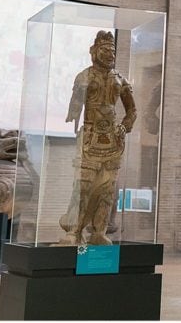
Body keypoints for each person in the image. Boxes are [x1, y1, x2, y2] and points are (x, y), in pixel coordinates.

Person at [57, 31, 137, 246]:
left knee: (107, 188)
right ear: (94, 52)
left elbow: (132, 110)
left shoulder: (120, 79)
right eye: (104, 50)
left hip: (113, 138)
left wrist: (124, 127)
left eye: (112, 51)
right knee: (82, 186)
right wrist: (74, 112)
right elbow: (74, 108)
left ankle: (99, 231)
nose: (109, 54)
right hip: (90, 136)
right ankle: (75, 230)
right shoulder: (84, 76)